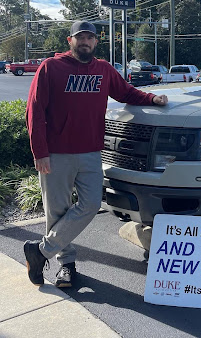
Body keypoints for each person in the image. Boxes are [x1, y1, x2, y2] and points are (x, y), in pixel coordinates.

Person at [24, 20, 168, 288]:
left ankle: (40, 251)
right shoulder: (51, 67)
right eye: (80, 37)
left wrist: (151, 99)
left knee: (90, 204)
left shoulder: (103, 69)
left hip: (91, 153)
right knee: (57, 211)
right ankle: (66, 264)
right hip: (56, 154)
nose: (85, 42)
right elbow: (34, 111)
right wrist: (40, 152)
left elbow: (126, 92)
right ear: (70, 41)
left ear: (96, 42)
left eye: (90, 38)